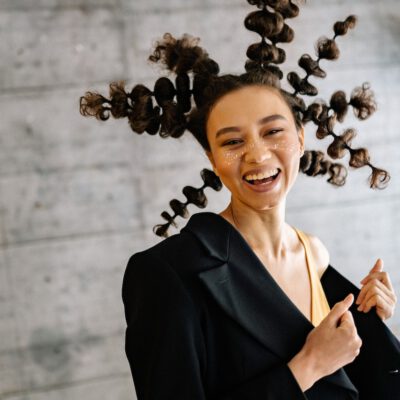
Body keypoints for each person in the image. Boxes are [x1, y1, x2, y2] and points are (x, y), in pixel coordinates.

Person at [79, 1, 400, 398]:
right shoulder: (166, 274)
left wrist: (370, 321)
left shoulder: (314, 253)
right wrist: (306, 367)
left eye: (273, 132)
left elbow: (345, 377)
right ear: (212, 159)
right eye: (232, 141)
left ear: (300, 139)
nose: (257, 155)